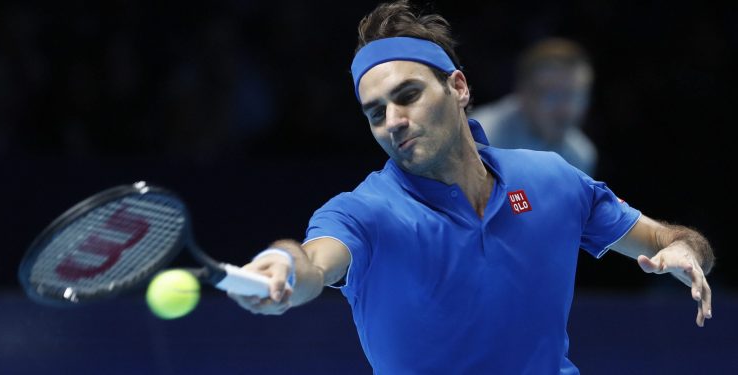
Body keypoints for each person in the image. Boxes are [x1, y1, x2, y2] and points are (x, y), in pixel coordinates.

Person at [229, 1, 714, 373]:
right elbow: (315, 261)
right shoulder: (363, 212)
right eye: (376, 113)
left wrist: (686, 251)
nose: (394, 121)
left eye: (409, 95)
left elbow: (665, 240)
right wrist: (286, 264)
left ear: (458, 88)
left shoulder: (550, 178)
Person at [470, 37, 598, 176]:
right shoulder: (478, 140)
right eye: (553, 95)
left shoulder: (581, 156)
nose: (566, 110)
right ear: (523, 93)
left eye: (576, 96)